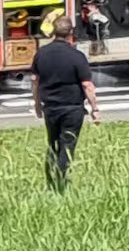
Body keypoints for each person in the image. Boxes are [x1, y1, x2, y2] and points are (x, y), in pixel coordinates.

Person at [31, 16, 101, 192]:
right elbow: (87, 85)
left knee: (53, 145)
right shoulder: (76, 56)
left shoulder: (41, 54)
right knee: (67, 146)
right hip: (72, 109)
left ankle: (50, 181)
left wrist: (37, 105)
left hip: (51, 108)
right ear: (71, 33)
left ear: (54, 32)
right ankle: (60, 185)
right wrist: (95, 109)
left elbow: (35, 81)